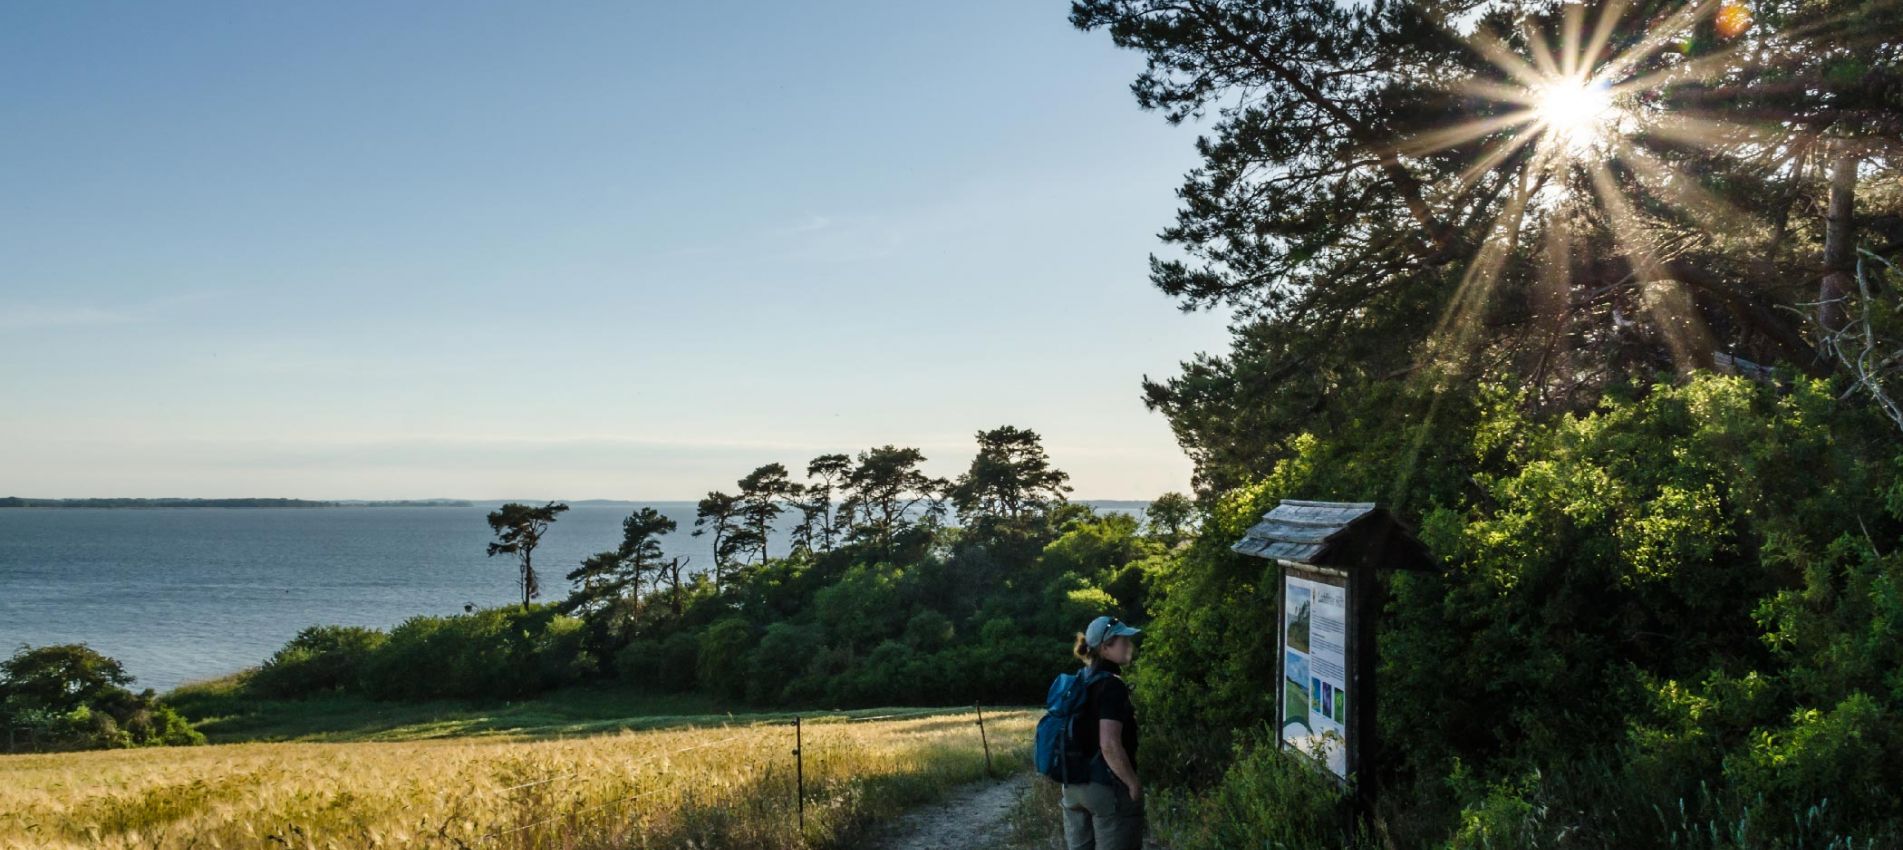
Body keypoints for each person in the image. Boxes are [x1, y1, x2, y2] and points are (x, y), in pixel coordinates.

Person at [1061, 614, 1144, 850]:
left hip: (1072, 790)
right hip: (1105, 789)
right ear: (1105, 647)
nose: (1129, 645)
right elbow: (1109, 744)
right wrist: (1133, 783)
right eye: (1123, 640)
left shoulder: (1081, 681)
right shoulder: (1112, 685)